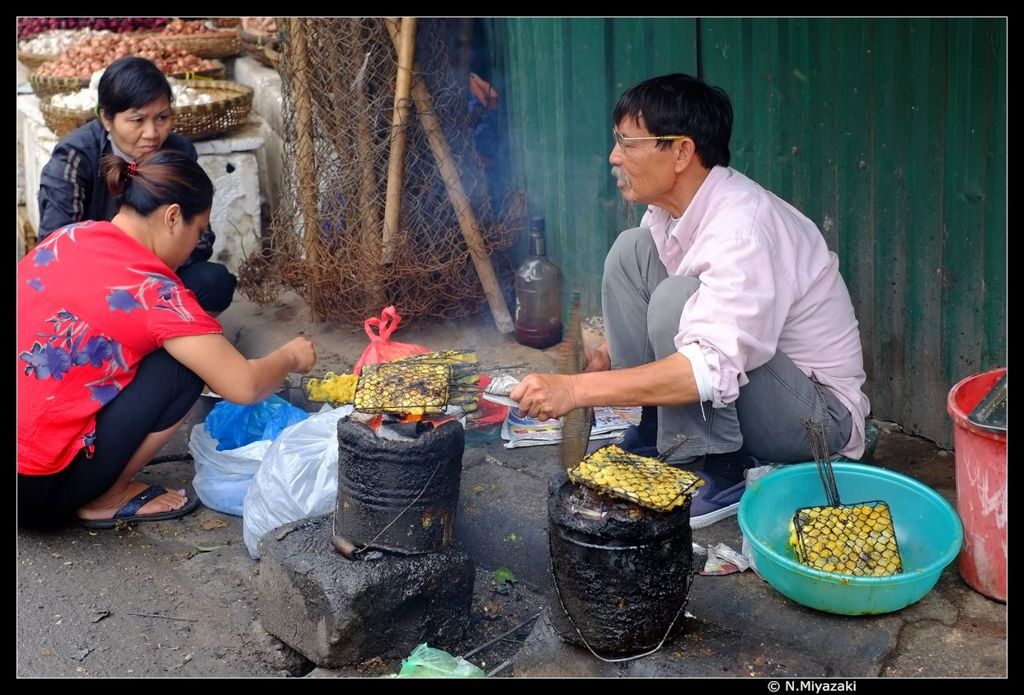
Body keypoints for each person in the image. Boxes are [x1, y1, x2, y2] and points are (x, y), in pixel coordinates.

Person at [510, 73, 870, 528]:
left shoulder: (743, 228)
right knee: (631, 252)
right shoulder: (670, 209)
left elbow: (707, 367)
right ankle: (653, 431)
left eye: (628, 143)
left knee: (677, 300)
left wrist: (574, 390)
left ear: (681, 152)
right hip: (761, 391)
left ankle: (721, 468)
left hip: (817, 419)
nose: (614, 156)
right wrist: (608, 356)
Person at [18, 151, 317, 529]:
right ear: (173, 217)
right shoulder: (155, 293)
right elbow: (244, 385)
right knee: (181, 368)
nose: (197, 244)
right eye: (199, 231)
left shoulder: (68, 237)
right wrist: (291, 355)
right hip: (37, 491)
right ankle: (107, 497)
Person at [36, 56, 236, 314]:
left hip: (160, 276)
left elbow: (200, 237)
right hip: (94, 285)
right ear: (107, 118)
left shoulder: (179, 151)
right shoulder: (76, 157)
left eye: (162, 118)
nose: (152, 133)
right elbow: (55, 247)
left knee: (214, 282)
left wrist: (151, 271)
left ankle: (167, 334)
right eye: (137, 120)